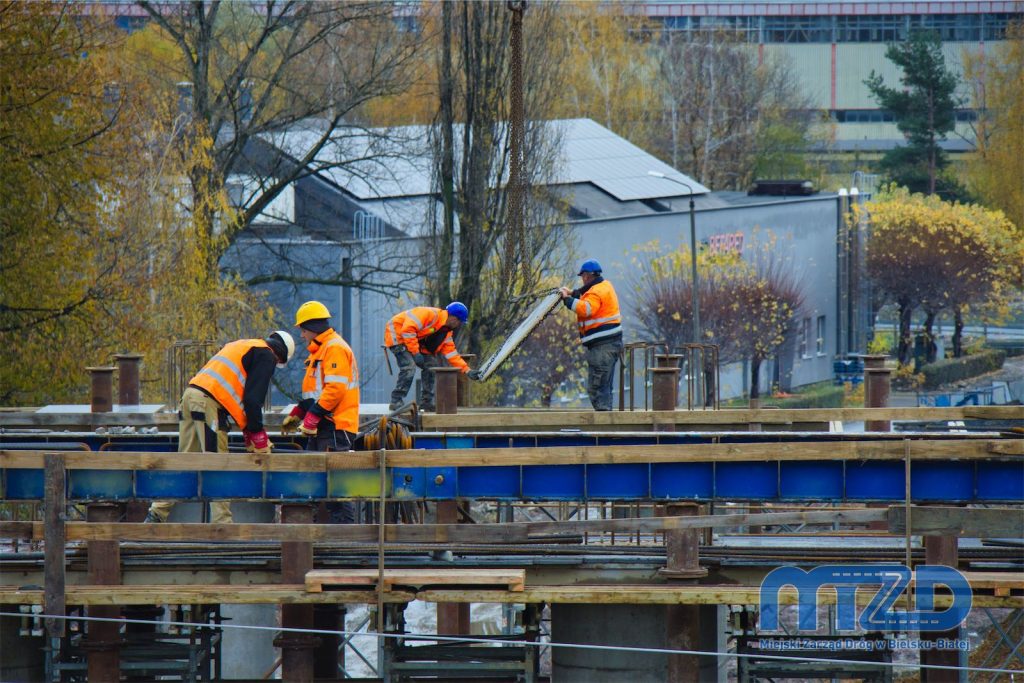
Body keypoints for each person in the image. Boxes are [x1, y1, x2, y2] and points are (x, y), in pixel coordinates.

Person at [146, 330, 296, 523]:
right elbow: (252, 401)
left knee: (185, 461)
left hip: (190, 397)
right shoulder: (266, 355)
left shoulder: (244, 344)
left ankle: (156, 514)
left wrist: (248, 432)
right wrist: (258, 436)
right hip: (209, 403)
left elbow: (238, 398)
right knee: (218, 464)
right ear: (280, 356)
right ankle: (223, 524)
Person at [281, 301, 361, 522]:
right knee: (316, 482)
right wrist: (299, 411)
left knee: (336, 486)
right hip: (325, 426)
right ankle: (315, 536)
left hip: (334, 426)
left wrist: (313, 416)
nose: (302, 336)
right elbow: (316, 393)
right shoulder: (321, 350)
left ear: (312, 327)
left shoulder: (334, 348)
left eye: (303, 330)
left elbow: (335, 389)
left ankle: (343, 540)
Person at [384, 301, 479, 411]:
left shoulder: (446, 331)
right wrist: (415, 353)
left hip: (411, 340)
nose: (459, 325)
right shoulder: (429, 314)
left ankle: (426, 403)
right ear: (454, 318)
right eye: (460, 322)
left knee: (431, 366)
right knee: (409, 367)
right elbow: (407, 330)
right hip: (396, 334)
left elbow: (452, 354)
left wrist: (467, 370)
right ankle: (396, 400)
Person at [558, 259, 623, 411]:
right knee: (603, 387)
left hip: (603, 347)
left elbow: (587, 308)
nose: (582, 279)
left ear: (587, 276)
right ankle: (605, 418)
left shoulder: (597, 291)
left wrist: (567, 300)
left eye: (582, 276)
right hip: (608, 345)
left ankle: (603, 424)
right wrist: (573, 293)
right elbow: (586, 296)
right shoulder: (603, 286)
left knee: (598, 388)